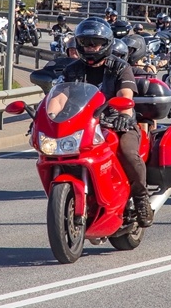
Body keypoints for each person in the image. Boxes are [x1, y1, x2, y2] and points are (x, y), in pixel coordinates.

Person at [60, 18, 153, 227]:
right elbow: (58, 98)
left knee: (128, 153)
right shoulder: (72, 69)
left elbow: (126, 95)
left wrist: (124, 114)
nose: (90, 47)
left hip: (117, 123)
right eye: (86, 42)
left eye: (96, 42)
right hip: (83, 126)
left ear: (106, 43)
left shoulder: (120, 67)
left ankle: (140, 198)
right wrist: (44, 117)